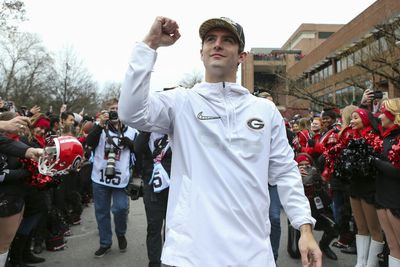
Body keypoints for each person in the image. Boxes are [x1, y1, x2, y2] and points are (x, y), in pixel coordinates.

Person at [118, 16, 321, 267]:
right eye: (210, 40)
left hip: (252, 253)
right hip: (192, 253)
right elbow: (130, 112)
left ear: (241, 57)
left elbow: (286, 171)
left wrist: (304, 227)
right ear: (201, 53)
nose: (217, 45)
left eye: (227, 40)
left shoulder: (265, 111)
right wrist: (149, 45)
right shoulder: (181, 102)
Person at [86, 98, 137, 258]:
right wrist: (100, 125)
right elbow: (89, 143)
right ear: (106, 112)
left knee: (121, 209)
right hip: (100, 177)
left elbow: (141, 153)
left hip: (121, 178)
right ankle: (105, 243)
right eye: (112, 109)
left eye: (118, 108)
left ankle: (121, 233)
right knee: (101, 212)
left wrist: (131, 145)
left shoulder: (132, 130)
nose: (115, 111)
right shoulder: (99, 128)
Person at [134, 131, 171, 267]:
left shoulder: (176, 130)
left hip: (174, 187)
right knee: (154, 227)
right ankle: (154, 262)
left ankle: (171, 259)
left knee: (172, 227)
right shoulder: (146, 133)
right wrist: (147, 127)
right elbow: (136, 148)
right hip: (152, 188)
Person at [370, 98, 400, 267]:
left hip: (396, 197)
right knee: (392, 244)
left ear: (393, 115)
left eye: (383, 113)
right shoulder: (385, 136)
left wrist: (374, 161)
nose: (380, 117)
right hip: (382, 194)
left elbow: (397, 170)